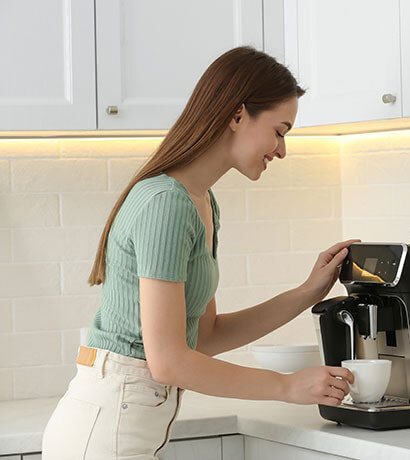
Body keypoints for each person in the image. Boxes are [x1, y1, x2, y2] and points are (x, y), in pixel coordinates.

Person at [41, 46, 356, 460]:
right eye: (280, 131)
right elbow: (169, 361)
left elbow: (204, 337)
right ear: (238, 115)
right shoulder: (166, 203)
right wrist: (286, 386)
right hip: (105, 433)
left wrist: (307, 293)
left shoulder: (200, 203)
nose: (282, 150)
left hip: (129, 425)